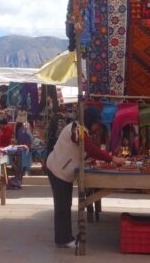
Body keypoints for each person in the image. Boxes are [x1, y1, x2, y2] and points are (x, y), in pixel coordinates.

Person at [45, 106, 124, 248]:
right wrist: (112, 159)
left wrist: (97, 160)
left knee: (65, 204)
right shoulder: (76, 128)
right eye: (96, 123)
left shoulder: (82, 130)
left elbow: (85, 152)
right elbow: (89, 148)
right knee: (62, 205)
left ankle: (64, 237)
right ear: (90, 120)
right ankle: (63, 239)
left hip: (63, 172)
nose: (97, 127)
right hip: (58, 170)